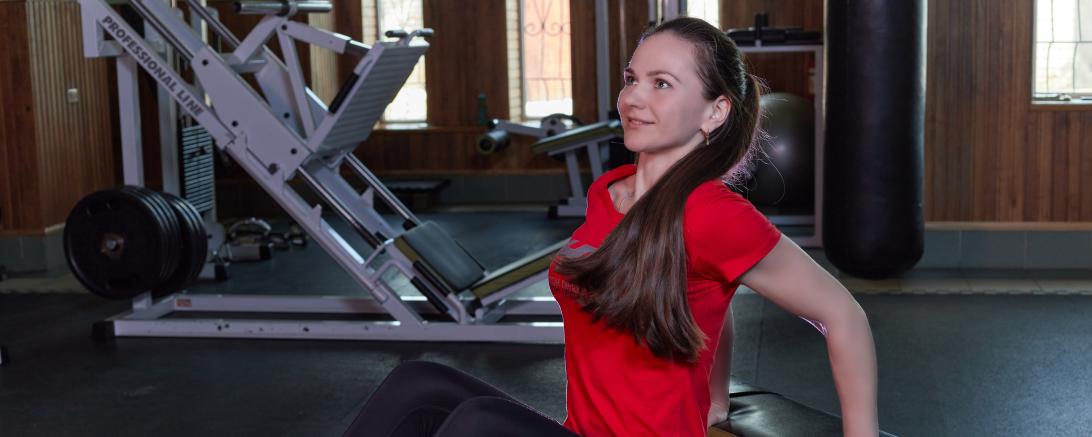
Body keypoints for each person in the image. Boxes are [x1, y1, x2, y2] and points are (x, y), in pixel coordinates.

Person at [344, 16, 878, 437]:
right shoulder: (610, 191)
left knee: (480, 423)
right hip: (578, 431)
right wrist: (715, 399)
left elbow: (844, 316)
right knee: (420, 381)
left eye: (661, 83)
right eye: (631, 79)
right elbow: (711, 302)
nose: (632, 98)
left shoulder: (713, 212)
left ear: (714, 112)